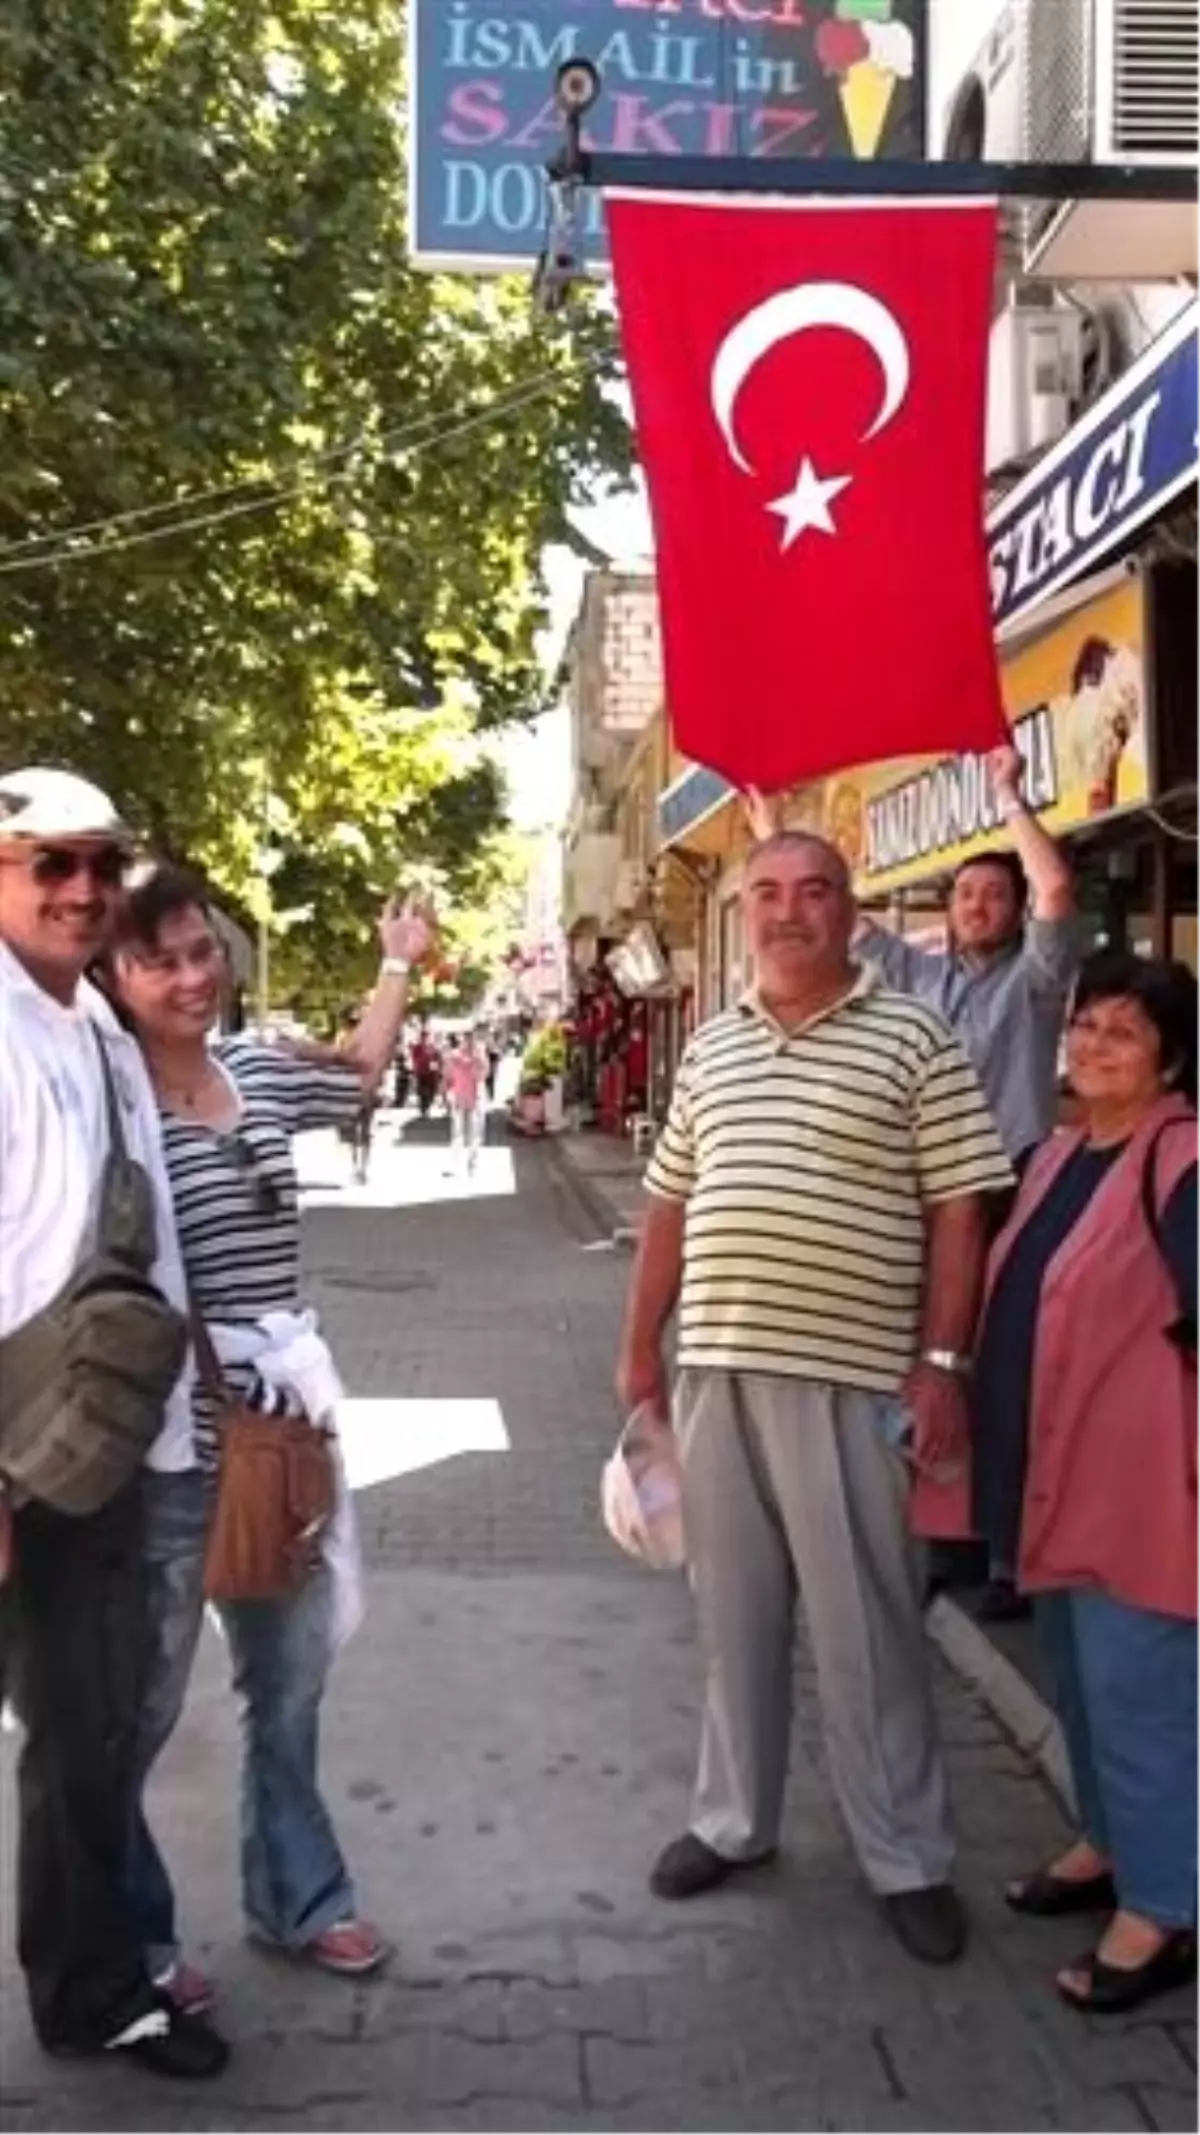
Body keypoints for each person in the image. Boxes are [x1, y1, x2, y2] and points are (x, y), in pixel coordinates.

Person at [616, 830, 1012, 1967]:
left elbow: (958, 1209)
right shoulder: (714, 1045)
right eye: (768, 893)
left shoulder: (916, 1033)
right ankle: (733, 1820)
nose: (788, 912)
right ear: (747, 912)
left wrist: (942, 1366)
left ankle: (907, 1855)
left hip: (851, 1378)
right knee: (729, 1616)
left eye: (814, 891)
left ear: (851, 910)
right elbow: (667, 1207)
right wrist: (639, 1349)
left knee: (868, 1631)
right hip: (717, 1369)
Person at [108, 863, 433, 2007]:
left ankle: (300, 1898)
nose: (192, 976)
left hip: (275, 1430)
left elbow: (355, 1084)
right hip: (152, 1445)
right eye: (162, 958)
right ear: (115, 974)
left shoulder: (253, 1067)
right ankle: (133, 1937)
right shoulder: (102, 1093)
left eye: (204, 950)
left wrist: (397, 960)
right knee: (136, 1706)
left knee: (287, 1684)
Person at [0, 768, 229, 2078]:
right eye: (48, 863)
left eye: (99, 862)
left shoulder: (86, 1019)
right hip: (17, 1444)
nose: (80, 887)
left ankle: (93, 1987)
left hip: (95, 1441)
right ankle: (90, 1983)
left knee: (82, 1737)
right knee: (72, 1738)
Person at [951, 951, 1200, 2014]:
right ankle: (1108, 1844)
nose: (1092, 1042)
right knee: (1086, 1691)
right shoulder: (1056, 1155)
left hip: (1142, 1489)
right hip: (1049, 1479)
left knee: (1145, 1703)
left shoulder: (1183, 1157)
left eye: (1124, 1032)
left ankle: (1165, 1910)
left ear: (1173, 1061)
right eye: (1085, 1023)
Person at [854, 744, 1081, 1620]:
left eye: (994, 894)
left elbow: (1059, 895)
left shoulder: (1036, 982)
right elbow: (844, 925)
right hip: (925, 1197)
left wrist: (1009, 797)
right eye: (965, 893)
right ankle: (944, 1541)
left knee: (1004, 1375)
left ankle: (1008, 1558)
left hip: (1006, 1192)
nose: (978, 904)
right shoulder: (923, 977)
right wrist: (770, 830)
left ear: (1014, 910)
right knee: (927, 1366)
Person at [443, 1030, 487, 1173]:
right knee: (457, 1132)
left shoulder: (480, 1056)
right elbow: (447, 1075)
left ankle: (472, 1162)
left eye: (471, 1039)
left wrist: (477, 1060)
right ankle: (454, 1163)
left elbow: (484, 1074)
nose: (468, 1042)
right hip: (459, 1096)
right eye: (466, 1039)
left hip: (476, 1097)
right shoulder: (454, 1056)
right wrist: (447, 1093)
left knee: (475, 1132)